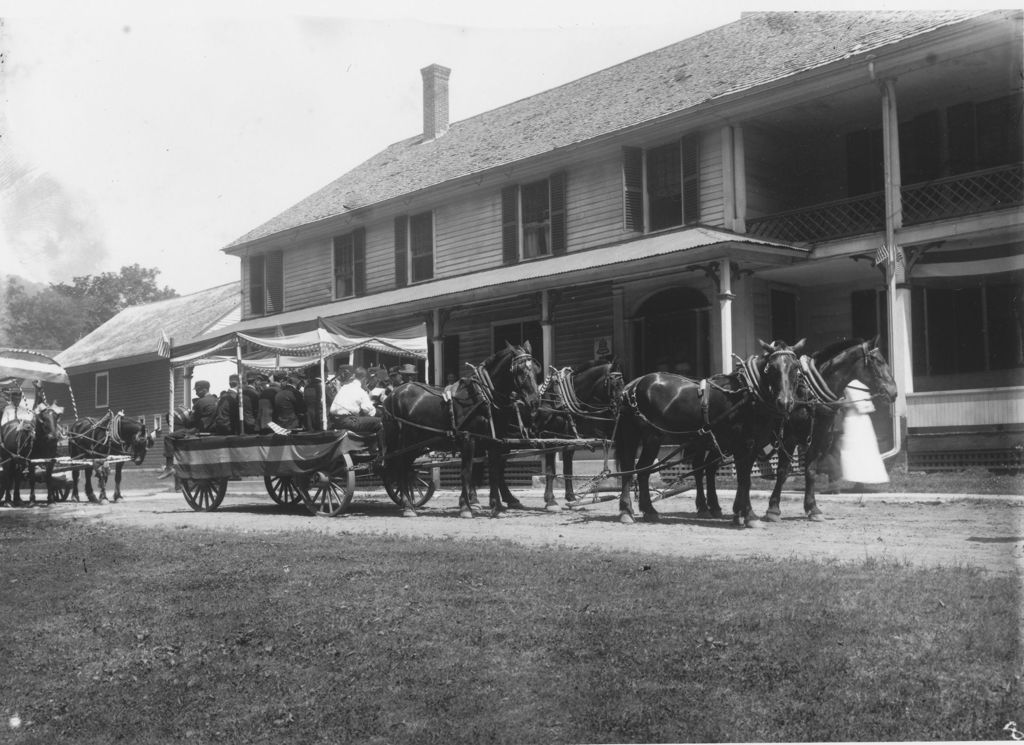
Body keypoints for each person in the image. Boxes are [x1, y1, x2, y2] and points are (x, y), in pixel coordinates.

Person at [837, 378, 889, 486]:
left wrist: (841, 402)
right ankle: (859, 482)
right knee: (862, 449)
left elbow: (856, 404)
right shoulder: (862, 385)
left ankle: (858, 480)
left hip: (854, 418)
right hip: (864, 419)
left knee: (855, 448)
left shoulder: (850, 385)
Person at [329, 366, 383, 449]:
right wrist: (380, 412)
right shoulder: (360, 391)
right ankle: (378, 450)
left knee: (365, 420)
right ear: (364, 379)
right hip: (348, 421)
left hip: (335, 420)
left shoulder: (344, 387)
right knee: (380, 422)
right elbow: (370, 412)